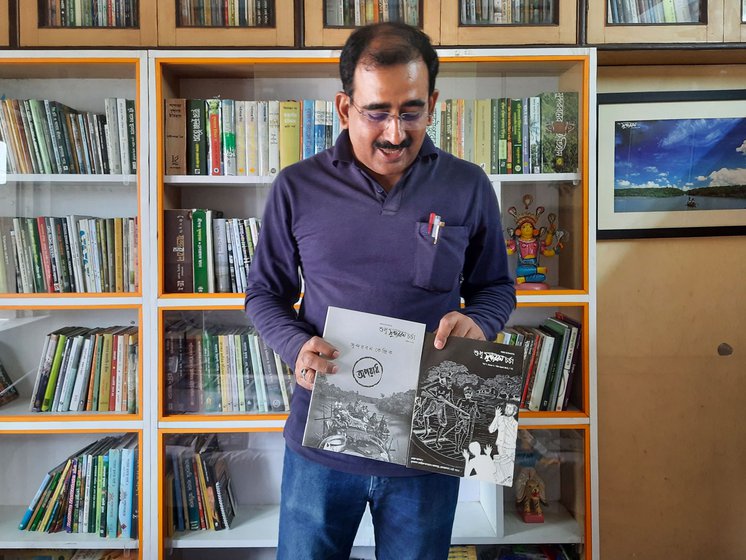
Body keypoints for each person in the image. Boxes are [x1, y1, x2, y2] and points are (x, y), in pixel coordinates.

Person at [245, 21, 516, 560]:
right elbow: (263, 295)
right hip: (320, 443)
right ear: (345, 108)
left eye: (411, 110)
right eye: (377, 112)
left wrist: (480, 324)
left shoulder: (468, 185)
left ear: (433, 103)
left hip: (429, 445)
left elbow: (496, 289)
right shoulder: (297, 187)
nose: (395, 132)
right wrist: (295, 345)